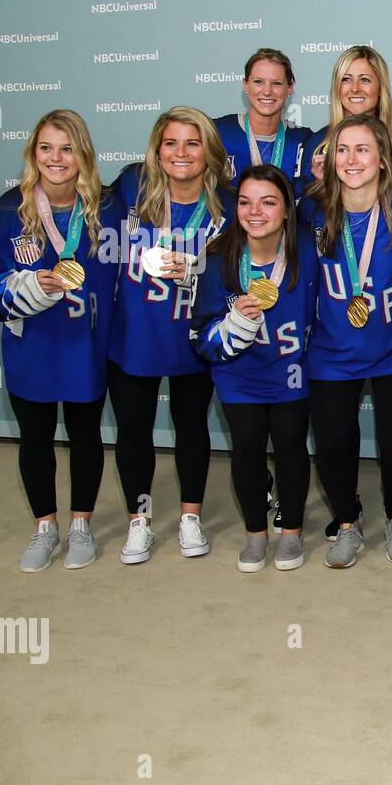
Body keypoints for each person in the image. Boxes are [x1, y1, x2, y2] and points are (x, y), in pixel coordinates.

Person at [0, 109, 123, 571]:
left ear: (83, 154)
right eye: (46, 148)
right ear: (33, 153)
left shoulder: (108, 207)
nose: (57, 158)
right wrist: (23, 288)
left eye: (67, 148)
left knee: (84, 433)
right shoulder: (6, 209)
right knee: (34, 437)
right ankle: (44, 526)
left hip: (86, 343)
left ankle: (80, 524)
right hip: (32, 343)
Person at [109, 106, 234, 565]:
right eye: (171, 143)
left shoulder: (228, 206)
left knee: (191, 427)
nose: (181, 153)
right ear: (157, 151)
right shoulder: (130, 189)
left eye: (192, 142)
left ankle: (189, 516)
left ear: (209, 150)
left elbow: (240, 272)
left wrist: (197, 270)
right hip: (136, 334)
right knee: (134, 431)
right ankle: (138, 521)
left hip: (193, 336)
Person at [305, 114, 392, 567]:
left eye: (362, 149)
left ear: (382, 159)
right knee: (334, 441)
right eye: (342, 149)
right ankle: (347, 520)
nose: (351, 159)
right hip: (332, 352)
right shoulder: (313, 208)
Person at [191, 165, 317, 572]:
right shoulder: (216, 258)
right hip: (238, 371)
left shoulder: (306, 250)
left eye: (268, 202)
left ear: (286, 209)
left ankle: (292, 530)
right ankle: (254, 533)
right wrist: (230, 328)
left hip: (291, 371)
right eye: (245, 202)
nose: (255, 212)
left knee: (290, 446)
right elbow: (201, 332)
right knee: (245, 447)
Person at [300, 46, 392, 191]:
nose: (355, 88)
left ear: (381, 88)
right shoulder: (317, 145)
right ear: (337, 88)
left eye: (365, 80)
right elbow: (308, 209)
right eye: (346, 79)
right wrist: (323, 186)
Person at [214, 48, 312, 183]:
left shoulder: (304, 139)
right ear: (245, 85)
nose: (267, 91)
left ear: (290, 87)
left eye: (276, 83)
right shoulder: (218, 132)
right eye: (258, 82)